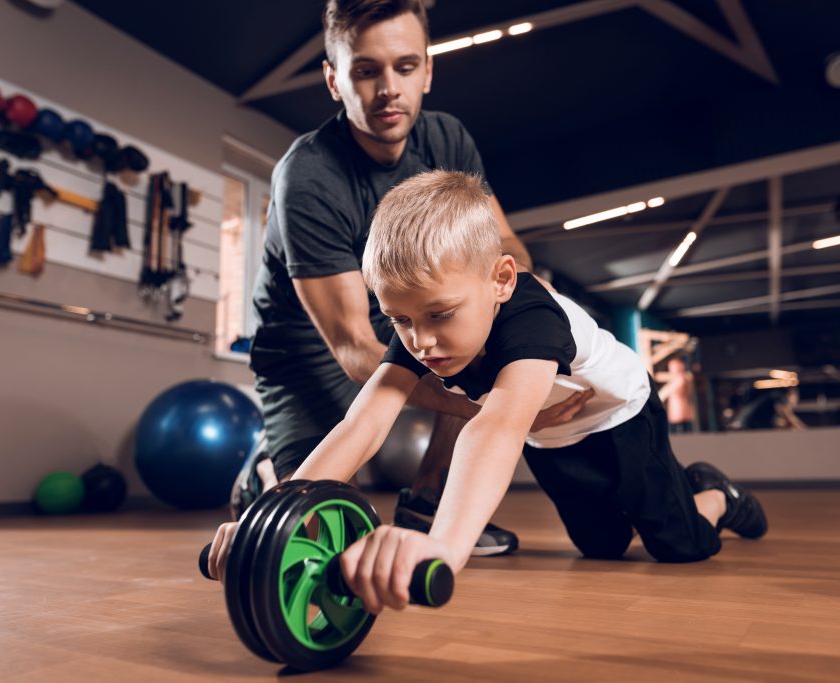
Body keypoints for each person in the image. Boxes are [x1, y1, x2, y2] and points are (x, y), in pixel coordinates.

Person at [209, 171, 769, 610]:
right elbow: (364, 423)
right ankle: (677, 498)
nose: (420, 341)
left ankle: (717, 493)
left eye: (440, 314)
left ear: (501, 280)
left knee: (681, 546)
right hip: (552, 439)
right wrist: (269, 517)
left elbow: (496, 426)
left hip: (619, 419)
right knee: (602, 546)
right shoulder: (420, 325)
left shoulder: (529, 315)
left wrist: (443, 549)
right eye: (398, 320)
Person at [245, 0, 589, 555]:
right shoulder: (307, 175)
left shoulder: (446, 139)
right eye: (365, 70)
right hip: (308, 357)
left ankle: (427, 497)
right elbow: (353, 343)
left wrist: (526, 346)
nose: (388, 89)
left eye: (405, 67)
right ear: (334, 80)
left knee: (476, 323)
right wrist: (491, 403)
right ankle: (262, 470)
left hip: (407, 326)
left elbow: (504, 251)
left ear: (428, 70)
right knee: (320, 534)